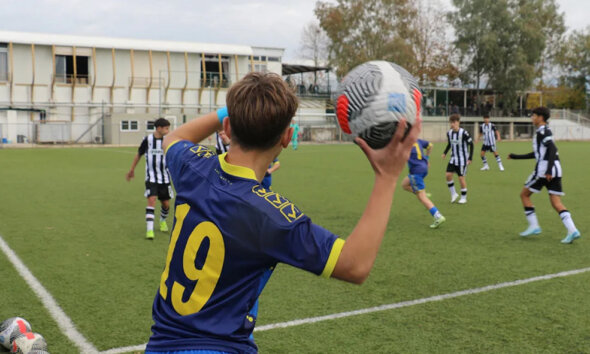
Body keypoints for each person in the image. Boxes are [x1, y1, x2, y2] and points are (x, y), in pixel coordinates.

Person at [145, 72, 421, 353]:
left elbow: (177, 136)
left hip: (159, 345)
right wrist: (387, 177)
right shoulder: (269, 216)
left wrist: (235, 108)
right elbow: (355, 265)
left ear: (226, 127)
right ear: (287, 137)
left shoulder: (192, 166)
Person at [508, 107, 580, 244]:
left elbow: (553, 148)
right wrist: (516, 157)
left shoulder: (542, 132)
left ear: (540, 117)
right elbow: (538, 153)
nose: (532, 118)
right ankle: (572, 230)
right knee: (556, 202)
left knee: (524, 195)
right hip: (556, 170)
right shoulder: (544, 132)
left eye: (533, 115)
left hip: (544, 171)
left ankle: (534, 226)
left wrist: (547, 170)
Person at [126, 118, 173, 240]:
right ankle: (150, 230)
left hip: (165, 178)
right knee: (151, 199)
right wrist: (132, 169)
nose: (168, 131)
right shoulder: (148, 140)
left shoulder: (169, 141)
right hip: (151, 177)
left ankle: (162, 220)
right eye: (166, 128)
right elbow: (139, 154)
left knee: (166, 204)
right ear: (159, 128)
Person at [401, 139, 445, 228]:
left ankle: (438, 216)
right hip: (424, 168)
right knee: (404, 184)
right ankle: (424, 194)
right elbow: (430, 145)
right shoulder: (417, 140)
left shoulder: (404, 143)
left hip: (416, 171)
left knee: (421, 197)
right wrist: (427, 158)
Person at [442, 114, 473, 204]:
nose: (452, 124)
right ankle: (453, 194)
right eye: (451, 122)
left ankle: (464, 197)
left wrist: (470, 157)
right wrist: (445, 152)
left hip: (462, 160)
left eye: (454, 122)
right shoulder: (449, 133)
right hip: (453, 159)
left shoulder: (464, 133)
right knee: (448, 175)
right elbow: (450, 144)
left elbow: (471, 145)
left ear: (458, 122)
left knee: (461, 178)